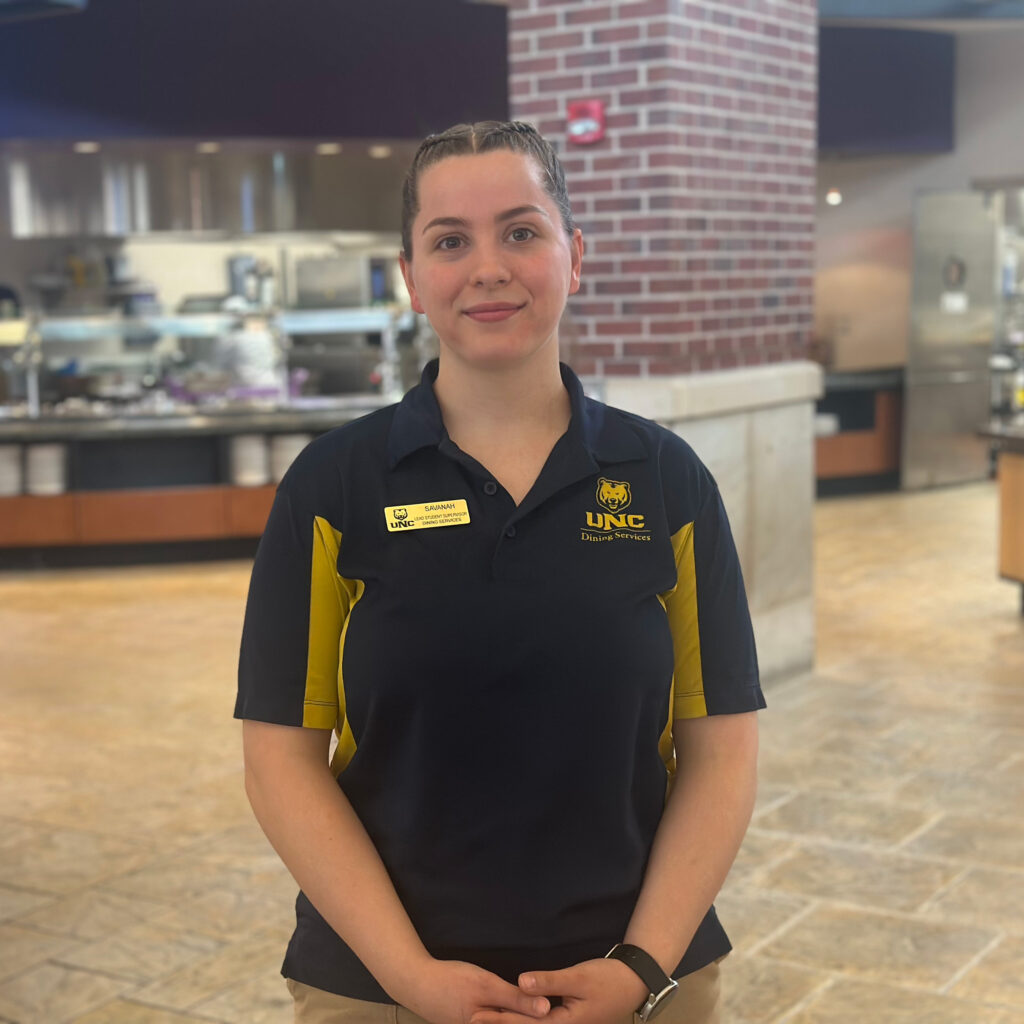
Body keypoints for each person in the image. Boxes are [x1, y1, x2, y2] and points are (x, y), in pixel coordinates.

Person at [235, 120, 764, 1024]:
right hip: (380, 983)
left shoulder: (666, 480)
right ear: (411, 277)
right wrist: (411, 977)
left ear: (574, 256)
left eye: (522, 231)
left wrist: (640, 965)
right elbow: (281, 758)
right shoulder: (334, 486)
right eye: (450, 241)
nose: (489, 267)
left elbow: (722, 748)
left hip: (637, 974)